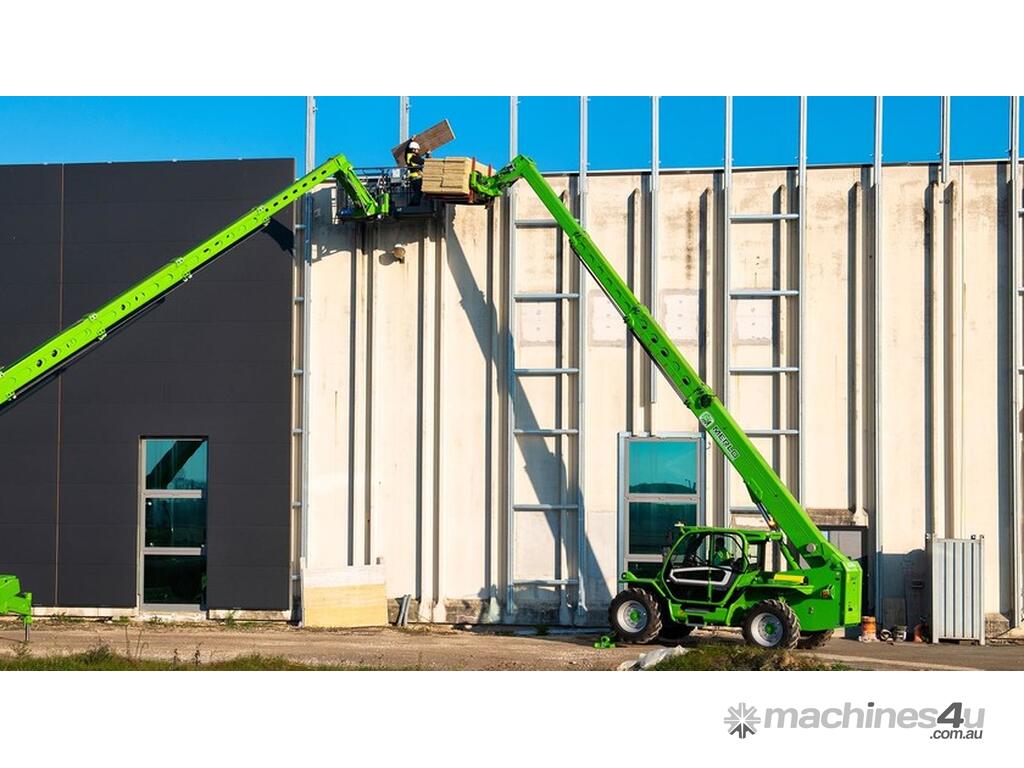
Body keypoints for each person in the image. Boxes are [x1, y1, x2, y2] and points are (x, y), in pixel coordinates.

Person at [405, 140, 428, 205]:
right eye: (417, 150)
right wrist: (428, 155)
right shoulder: (413, 157)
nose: (418, 151)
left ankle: (413, 204)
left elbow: (406, 150)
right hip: (416, 177)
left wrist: (411, 140)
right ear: (413, 150)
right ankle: (414, 205)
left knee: (417, 192)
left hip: (414, 177)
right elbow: (422, 161)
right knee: (418, 192)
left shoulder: (408, 156)